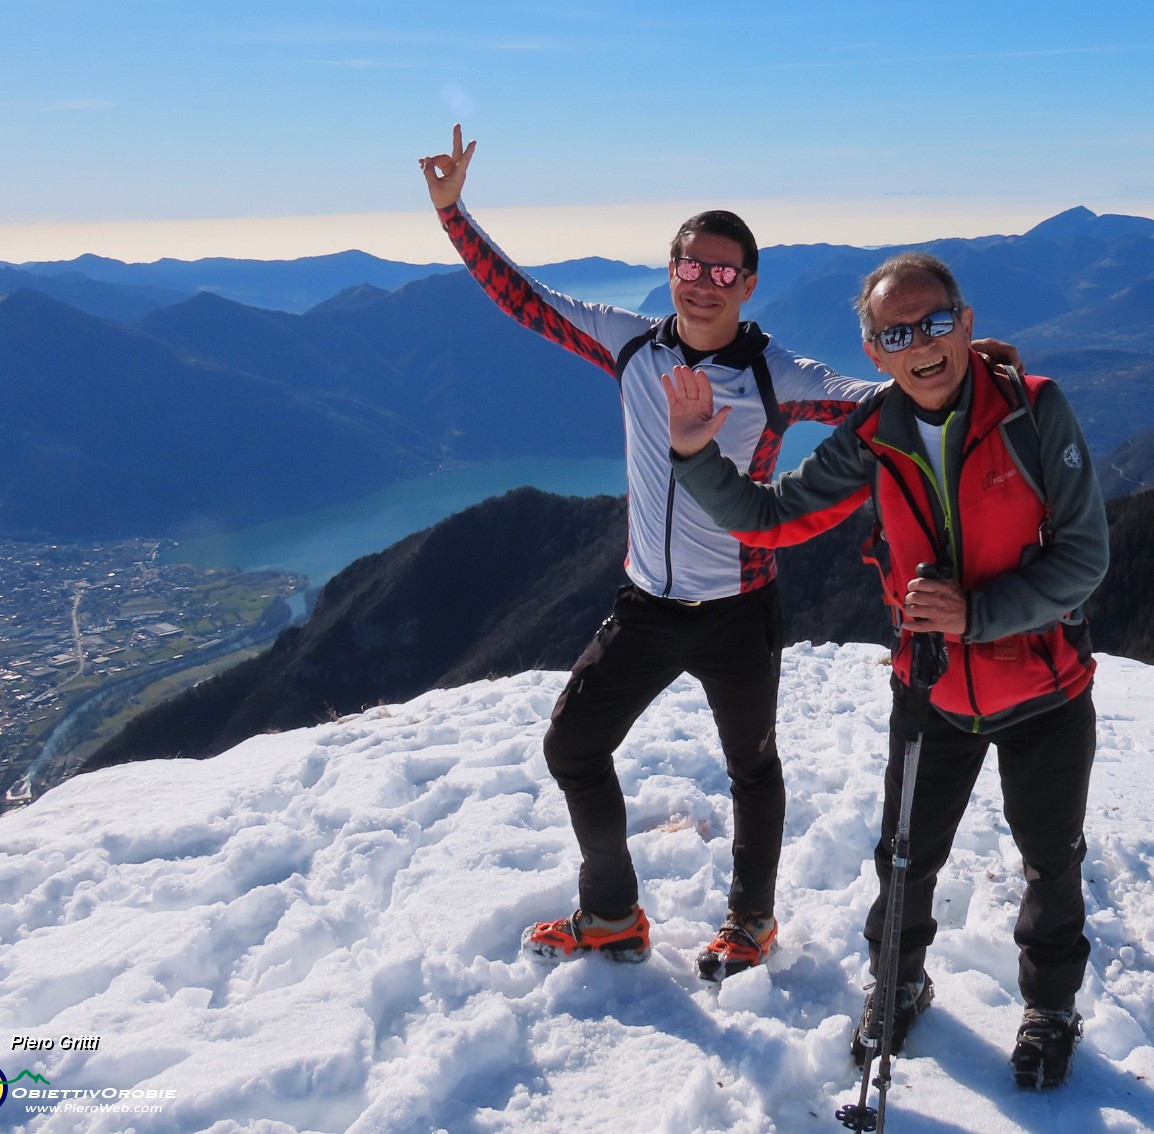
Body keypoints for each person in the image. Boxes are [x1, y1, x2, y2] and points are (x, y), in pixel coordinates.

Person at [418, 128, 1021, 982]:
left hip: (740, 610)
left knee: (752, 768)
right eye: (691, 267)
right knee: (572, 748)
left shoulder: (776, 375)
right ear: (671, 272)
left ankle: (751, 922)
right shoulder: (628, 344)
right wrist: (453, 212)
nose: (705, 284)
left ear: (748, 282)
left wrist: (959, 367)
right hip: (646, 606)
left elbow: (878, 400)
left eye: (723, 270)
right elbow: (522, 298)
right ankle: (613, 914)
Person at [664, 251, 1107, 1087]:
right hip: (931, 691)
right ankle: (897, 984)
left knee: (1052, 859)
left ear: (966, 324)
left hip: (1047, 691)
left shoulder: (1034, 411)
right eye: (896, 332)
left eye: (935, 321)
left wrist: (975, 614)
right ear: (875, 354)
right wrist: (696, 458)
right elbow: (772, 516)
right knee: (905, 855)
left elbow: (1084, 558)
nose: (922, 343)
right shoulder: (874, 437)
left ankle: (1049, 1007)